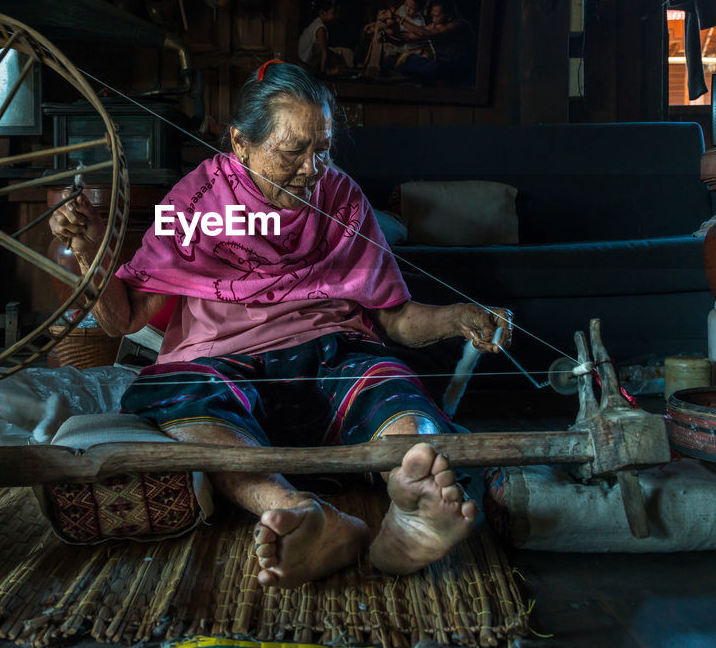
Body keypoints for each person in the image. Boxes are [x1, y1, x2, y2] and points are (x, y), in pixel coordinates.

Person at [50, 60, 510, 589]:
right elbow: (122, 319)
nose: (313, 168)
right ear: (241, 144)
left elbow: (395, 318)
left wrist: (457, 317)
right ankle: (300, 512)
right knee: (183, 394)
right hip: (222, 364)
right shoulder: (196, 204)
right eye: (294, 151)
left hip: (333, 352)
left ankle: (413, 507)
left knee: (393, 389)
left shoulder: (340, 196)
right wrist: (88, 251)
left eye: (324, 148)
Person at [297, 0, 353, 77]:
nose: (335, 16)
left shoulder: (316, 23)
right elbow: (324, 52)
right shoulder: (320, 28)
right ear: (322, 13)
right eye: (333, 13)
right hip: (306, 63)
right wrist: (322, 73)